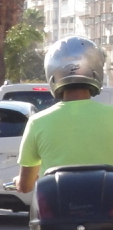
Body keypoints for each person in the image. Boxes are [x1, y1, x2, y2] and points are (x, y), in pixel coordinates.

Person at [15, 36, 113, 194]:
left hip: (56, 213)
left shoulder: (38, 122)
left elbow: (25, 186)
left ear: (52, 73)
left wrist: (17, 181)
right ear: (95, 70)